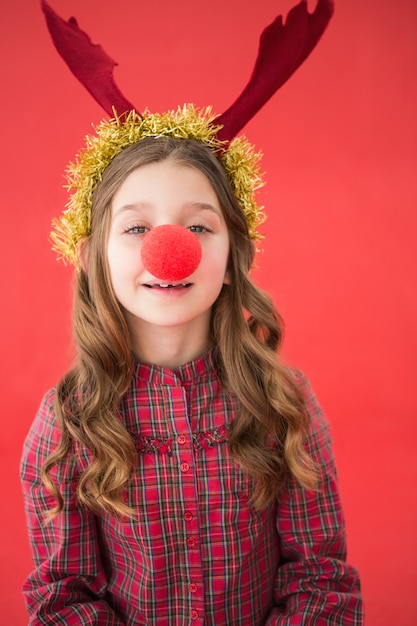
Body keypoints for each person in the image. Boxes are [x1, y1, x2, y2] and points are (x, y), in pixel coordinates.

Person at [21, 1, 364, 624]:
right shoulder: (66, 424)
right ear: (93, 256)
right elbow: (62, 600)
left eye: (199, 227)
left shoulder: (283, 405)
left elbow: (321, 580)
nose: (169, 250)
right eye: (137, 227)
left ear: (232, 257)